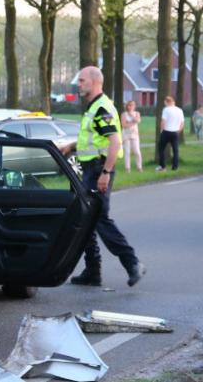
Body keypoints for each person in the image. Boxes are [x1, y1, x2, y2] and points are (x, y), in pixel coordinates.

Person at [60, 66, 145, 288]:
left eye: (81, 80)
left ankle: (132, 263)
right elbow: (96, 139)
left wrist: (106, 173)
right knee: (85, 217)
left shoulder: (102, 108)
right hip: (90, 170)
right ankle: (92, 271)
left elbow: (115, 142)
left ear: (95, 82)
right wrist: (71, 146)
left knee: (99, 218)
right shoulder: (93, 107)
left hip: (99, 170)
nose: (78, 84)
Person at [156, 96, 183, 171]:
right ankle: (175, 166)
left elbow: (163, 121)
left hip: (166, 131)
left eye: (165, 103)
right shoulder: (179, 110)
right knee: (175, 150)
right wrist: (178, 131)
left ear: (167, 102)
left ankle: (162, 166)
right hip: (175, 132)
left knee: (161, 148)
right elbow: (182, 123)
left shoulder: (166, 109)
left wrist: (161, 130)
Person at [121, 100, 143, 172]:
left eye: (132, 105)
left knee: (137, 151)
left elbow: (138, 120)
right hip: (126, 134)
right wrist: (132, 122)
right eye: (129, 105)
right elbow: (124, 125)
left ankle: (139, 167)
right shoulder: (124, 114)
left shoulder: (137, 113)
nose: (130, 107)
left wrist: (130, 121)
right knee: (127, 151)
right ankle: (127, 168)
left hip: (135, 134)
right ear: (127, 106)